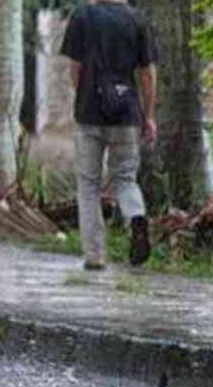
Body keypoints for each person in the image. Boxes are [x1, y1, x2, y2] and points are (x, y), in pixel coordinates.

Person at [61, 0, 157, 270]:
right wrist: (148, 116)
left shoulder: (82, 15)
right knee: (125, 178)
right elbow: (148, 74)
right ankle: (136, 215)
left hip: (89, 114)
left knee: (89, 186)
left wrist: (82, 99)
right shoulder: (137, 20)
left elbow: (75, 68)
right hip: (127, 114)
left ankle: (94, 256)